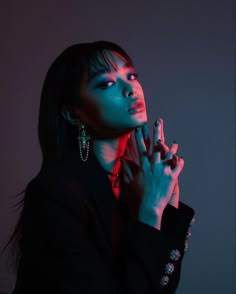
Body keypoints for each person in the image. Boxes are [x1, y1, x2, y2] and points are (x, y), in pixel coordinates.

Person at [5, 40, 195, 293]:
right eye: (107, 83)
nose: (131, 89)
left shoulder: (134, 184)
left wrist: (168, 201)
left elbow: (158, 287)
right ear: (74, 114)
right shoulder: (54, 194)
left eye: (131, 75)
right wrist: (150, 210)